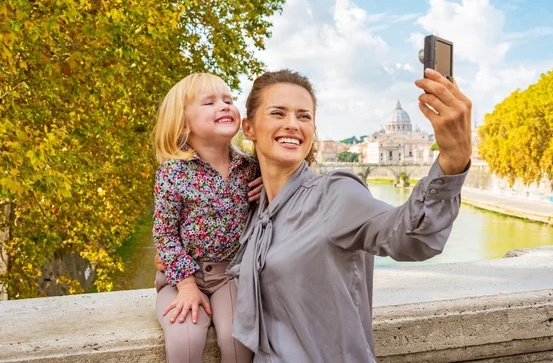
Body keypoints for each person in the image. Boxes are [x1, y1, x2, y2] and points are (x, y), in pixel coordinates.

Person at [227, 68, 472, 362]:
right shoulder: (254, 206)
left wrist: (453, 160)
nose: (293, 124)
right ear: (249, 128)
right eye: (278, 113)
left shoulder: (334, 194)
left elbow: (412, 238)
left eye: (304, 116)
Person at [152, 73, 261, 363]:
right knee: (185, 341)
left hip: (230, 276)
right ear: (184, 123)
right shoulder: (173, 172)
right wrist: (186, 285)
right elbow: (164, 233)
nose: (224, 106)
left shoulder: (251, 167)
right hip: (181, 278)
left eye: (228, 100)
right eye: (209, 102)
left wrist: (270, 190)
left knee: (239, 339)